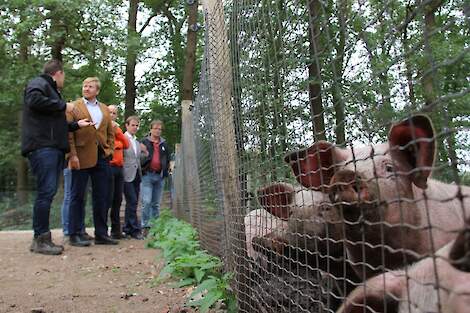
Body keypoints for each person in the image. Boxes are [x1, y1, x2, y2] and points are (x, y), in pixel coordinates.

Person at [21, 59, 93, 255]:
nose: (64, 80)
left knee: (48, 192)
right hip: (43, 147)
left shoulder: (50, 92)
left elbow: (56, 125)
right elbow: (33, 100)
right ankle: (41, 239)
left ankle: (43, 237)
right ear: (58, 73)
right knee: (46, 192)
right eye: (64, 76)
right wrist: (63, 105)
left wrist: (77, 125)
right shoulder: (40, 83)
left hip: (51, 146)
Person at [67, 77, 116, 246]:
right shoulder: (74, 107)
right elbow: (69, 134)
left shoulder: (104, 109)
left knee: (102, 196)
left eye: (90, 86)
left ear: (97, 91)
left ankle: (101, 234)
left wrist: (109, 150)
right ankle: (75, 233)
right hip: (80, 156)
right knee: (77, 196)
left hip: (102, 156)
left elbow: (111, 132)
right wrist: (72, 155)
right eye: (84, 86)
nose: (86, 89)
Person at [140, 120, 171, 237]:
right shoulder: (144, 142)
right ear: (151, 129)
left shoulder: (164, 144)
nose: (158, 131)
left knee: (156, 204)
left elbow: (167, 159)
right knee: (146, 201)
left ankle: (156, 227)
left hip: (160, 176)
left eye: (160, 129)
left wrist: (167, 170)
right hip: (147, 175)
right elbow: (140, 158)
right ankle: (145, 226)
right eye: (156, 128)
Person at [122, 116, 147, 239]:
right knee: (131, 200)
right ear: (127, 125)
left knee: (133, 201)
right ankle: (135, 229)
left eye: (137, 125)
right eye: (133, 125)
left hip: (137, 174)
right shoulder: (123, 138)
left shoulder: (137, 142)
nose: (135, 127)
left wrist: (145, 153)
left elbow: (137, 159)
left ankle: (127, 228)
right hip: (126, 174)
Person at [107, 105, 129, 239]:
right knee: (106, 198)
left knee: (118, 199)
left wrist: (117, 132)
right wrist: (117, 143)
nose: (112, 115)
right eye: (109, 112)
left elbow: (126, 144)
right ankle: (103, 230)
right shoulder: (102, 128)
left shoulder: (117, 129)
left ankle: (116, 231)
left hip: (119, 168)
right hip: (108, 167)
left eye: (114, 113)